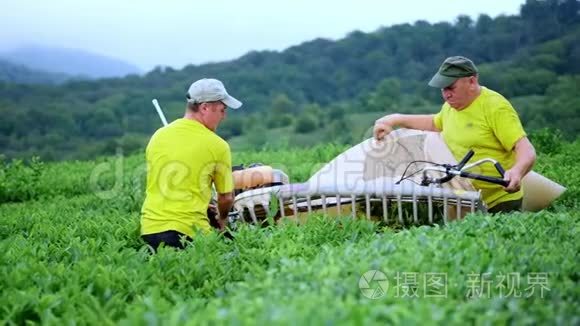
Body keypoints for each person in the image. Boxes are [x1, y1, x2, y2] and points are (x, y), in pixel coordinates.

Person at [373, 56, 536, 213]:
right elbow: (434, 123)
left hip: (499, 201)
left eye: (451, 87)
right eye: (443, 88)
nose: (446, 94)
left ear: (472, 81)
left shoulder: (495, 107)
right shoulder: (451, 106)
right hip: (465, 200)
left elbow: (525, 149)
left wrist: (517, 172)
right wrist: (395, 119)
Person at [140, 78, 242, 250]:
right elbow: (226, 197)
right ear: (204, 108)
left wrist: (202, 204)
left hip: (150, 229)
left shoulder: (158, 136)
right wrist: (222, 219)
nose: (224, 117)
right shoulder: (217, 145)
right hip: (188, 232)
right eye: (222, 110)